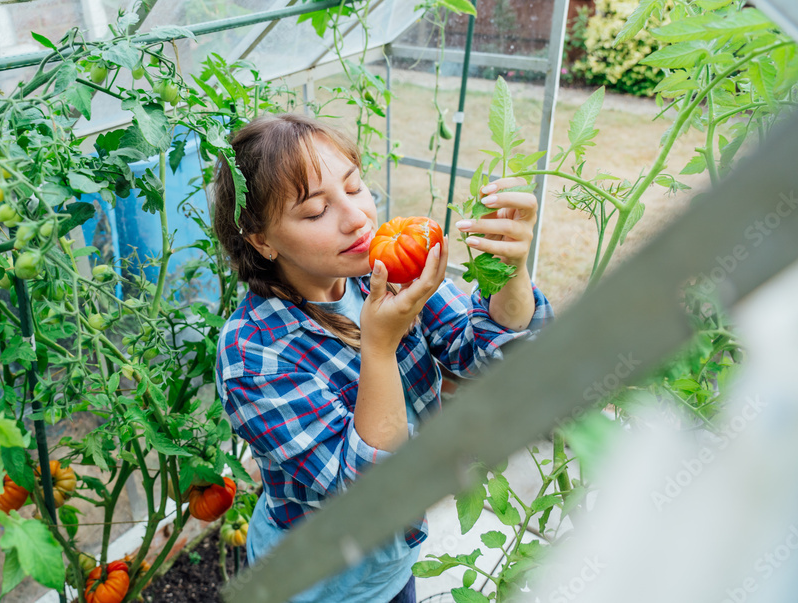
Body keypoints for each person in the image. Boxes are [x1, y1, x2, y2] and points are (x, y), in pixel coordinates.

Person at [212, 113, 553, 602]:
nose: (356, 218)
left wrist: (512, 272)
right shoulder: (254, 354)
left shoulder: (382, 269)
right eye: (314, 212)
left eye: (354, 188)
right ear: (261, 239)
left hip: (391, 566)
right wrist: (379, 346)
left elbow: (492, 354)